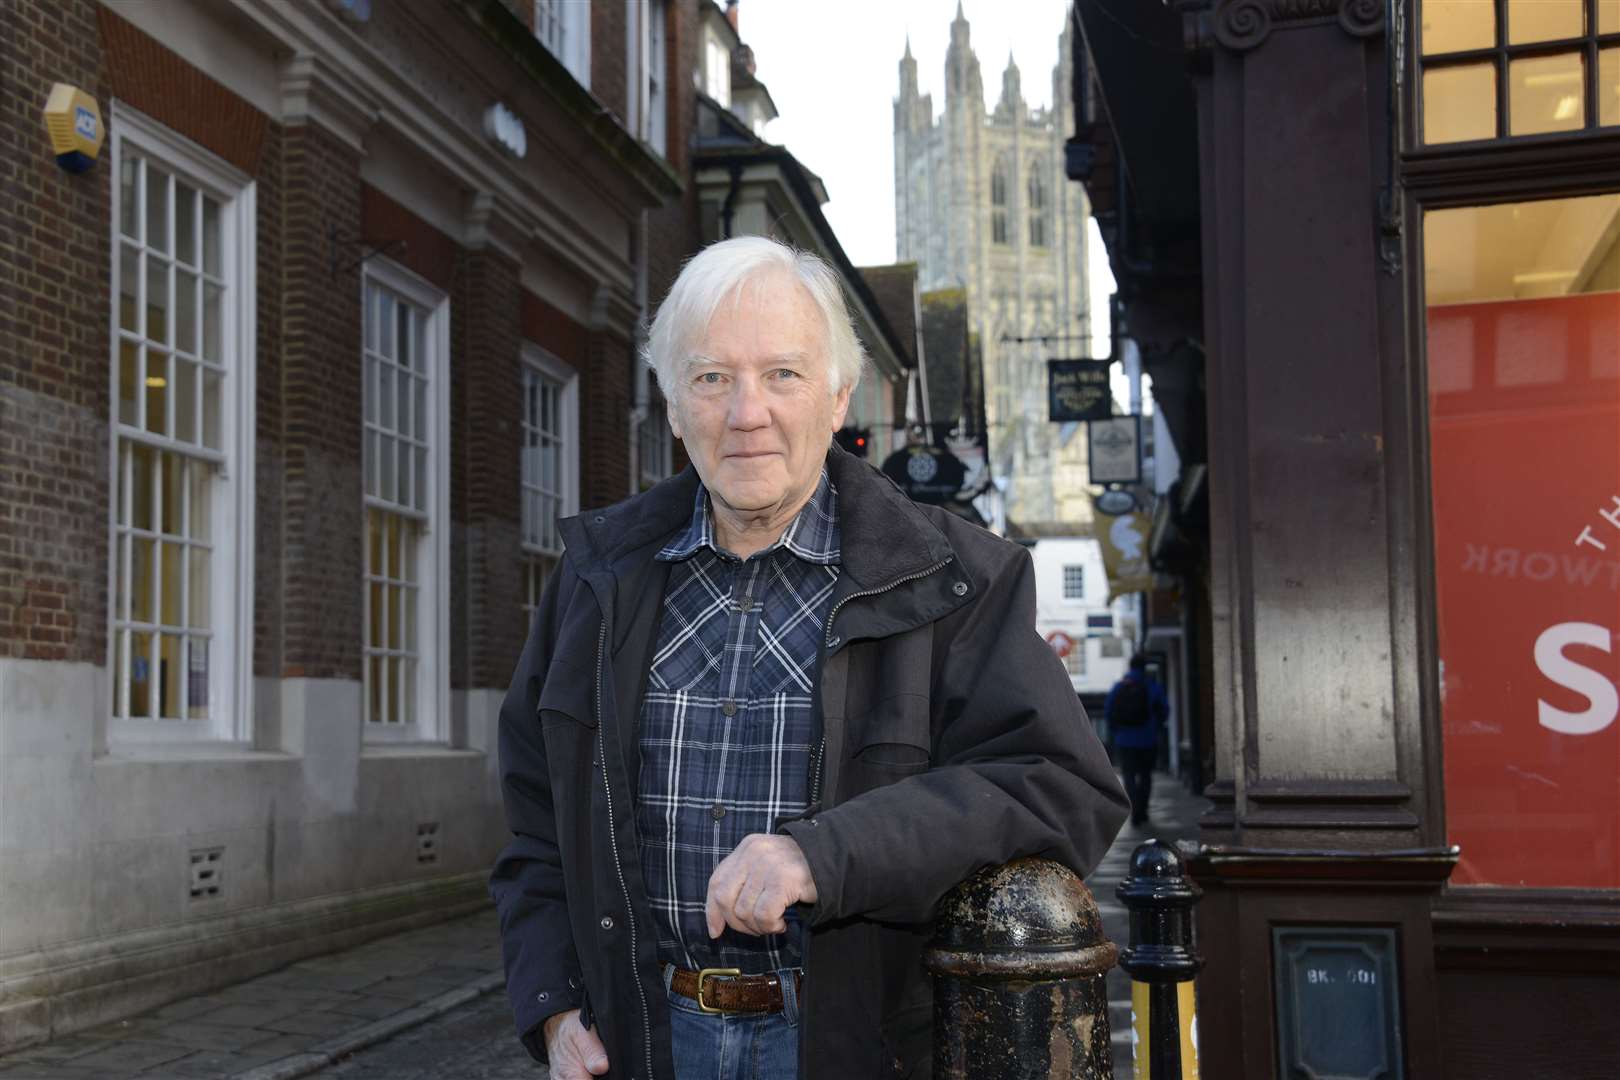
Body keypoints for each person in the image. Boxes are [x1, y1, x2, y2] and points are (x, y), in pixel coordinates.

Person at [490, 235, 1128, 1080]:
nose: (745, 412)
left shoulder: (958, 579)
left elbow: (1062, 789)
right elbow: (536, 820)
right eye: (712, 377)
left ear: (838, 398)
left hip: (849, 1048)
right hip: (644, 1044)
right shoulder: (595, 576)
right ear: (675, 406)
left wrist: (821, 855)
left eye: (782, 375)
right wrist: (553, 1003)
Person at [1105, 654, 1170, 827]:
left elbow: (1108, 711)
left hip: (1125, 740)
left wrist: (1116, 731)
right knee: (1146, 776)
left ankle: (1134, 809)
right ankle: (1143, 810)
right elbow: (1164, 710)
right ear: (1144, 668)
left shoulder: (1119, 687)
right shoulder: (1152, 686)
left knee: (1129, 776)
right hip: (1148, 739)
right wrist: (1155, 727)